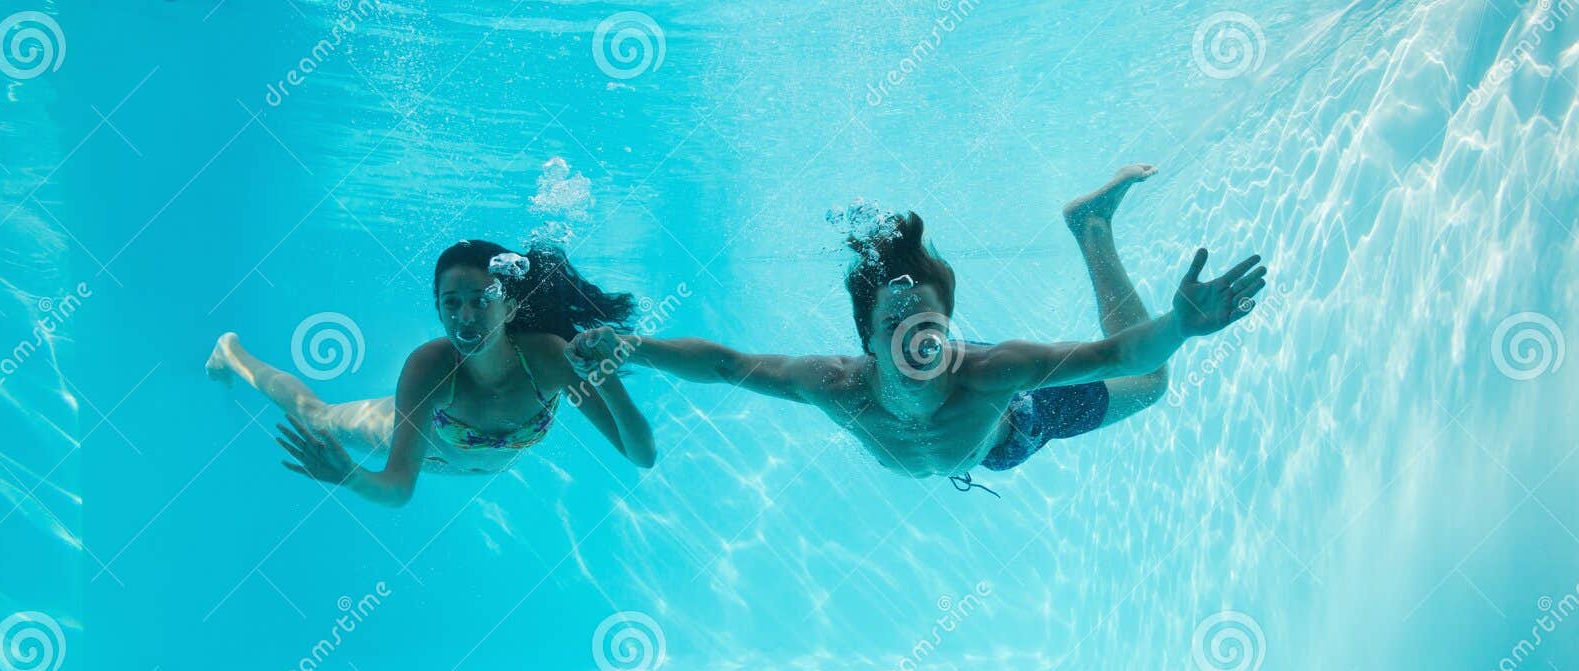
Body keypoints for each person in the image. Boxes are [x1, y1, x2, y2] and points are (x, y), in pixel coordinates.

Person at [617, 165, 1266, 493]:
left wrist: (1180, 326)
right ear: (866, 338)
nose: (915, 335)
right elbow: (727, 365)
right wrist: (632, 347)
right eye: (894, 323)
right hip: (965, 434)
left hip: (1016, 426)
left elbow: (1118, 352)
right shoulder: (837, 385)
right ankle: (1090, 224)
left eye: (926, 319)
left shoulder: (994, 373)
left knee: (1148, 382)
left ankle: (1092, 227)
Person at [206, 239, 657, 506]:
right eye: (451, 303)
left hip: (470, 468)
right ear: (438, 311)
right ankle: (232, 355)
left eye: (480, 300)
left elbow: (642, 456)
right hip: (405, 435)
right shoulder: (428, 369)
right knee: (317, 416)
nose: (465, 318)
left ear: (509, 305)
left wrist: (606, 376)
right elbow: (399, 486)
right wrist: (348, 475)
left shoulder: (551, 360)